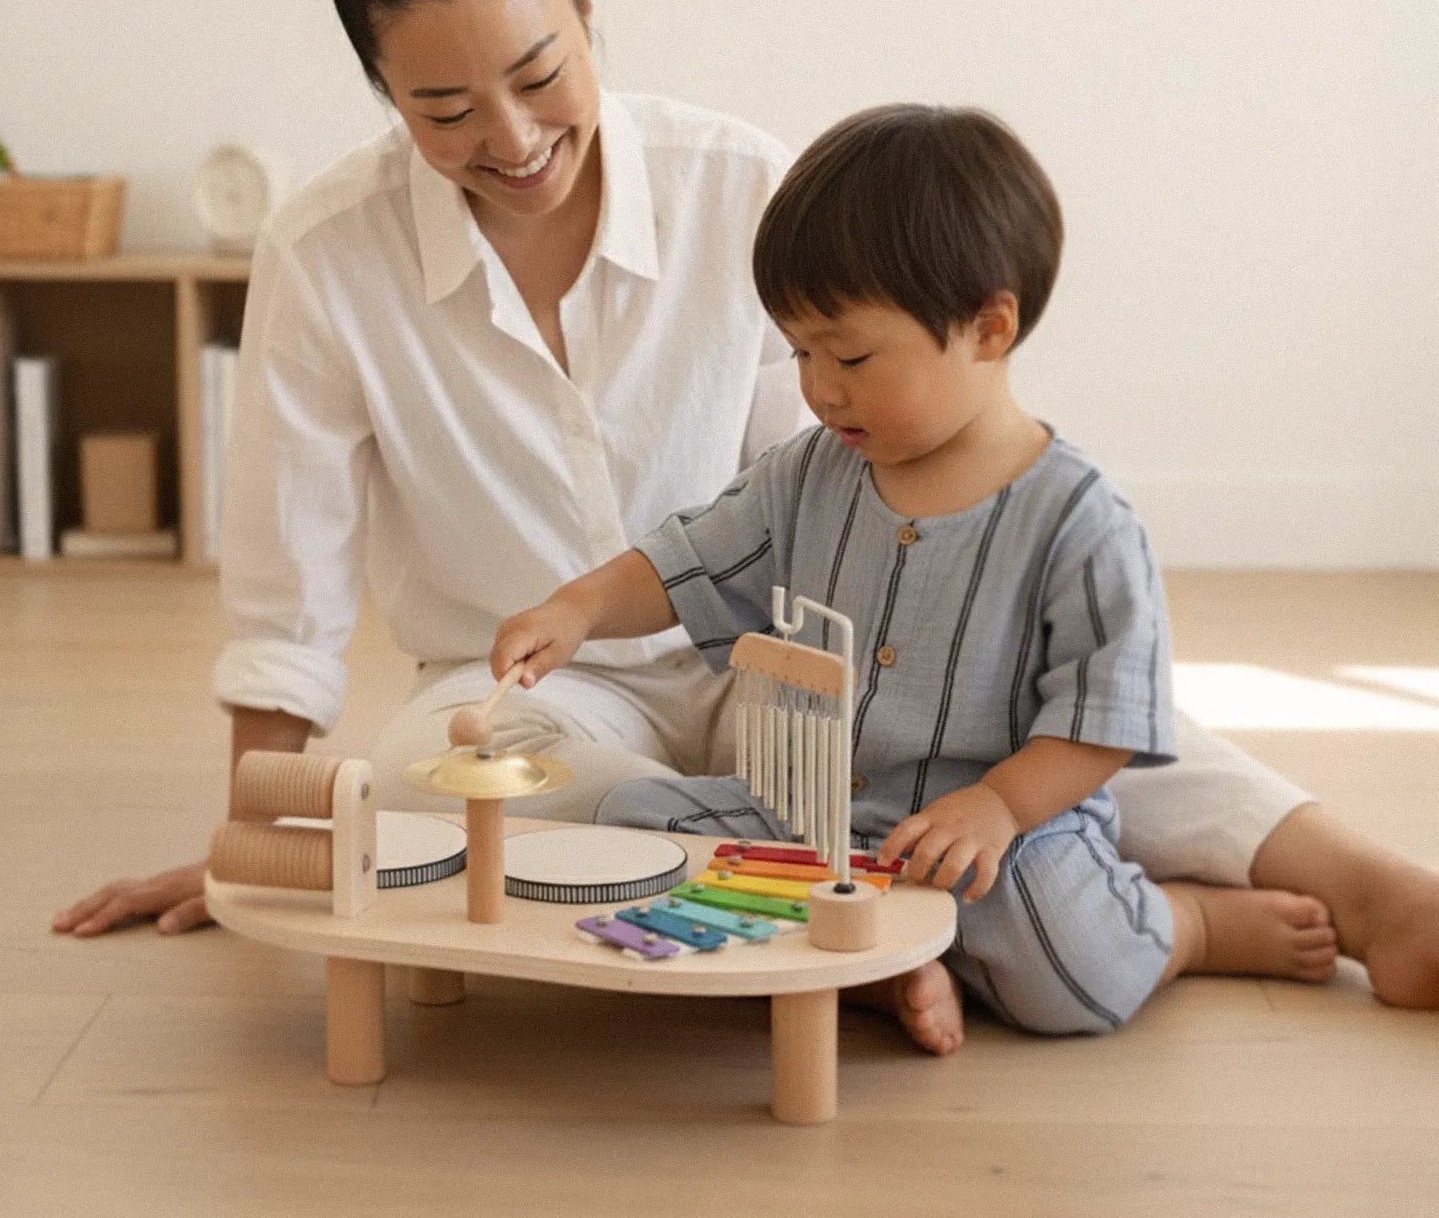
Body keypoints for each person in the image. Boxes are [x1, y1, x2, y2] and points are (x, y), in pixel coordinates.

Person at [52, 0, 1439, 1025]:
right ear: (382, 94)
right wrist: (263, 837)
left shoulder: (739, 184)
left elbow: (844, 483)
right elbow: (286, 589)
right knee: (429, 791)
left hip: (794, 662)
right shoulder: (324, 252)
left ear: (588, 10)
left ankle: (1370, 890)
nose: (514, 139)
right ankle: (869, 936)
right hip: (536, 697)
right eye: (445, 110)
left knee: (1027, 717)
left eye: (540, 74)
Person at [490, 104, 1348, 1051]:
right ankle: (883, 967)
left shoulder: (1078, 518)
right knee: (635, 832)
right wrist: (578, 608)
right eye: (801, 351)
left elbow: (1105, 717)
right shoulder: (806, 472)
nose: (819, 387)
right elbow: (686, 559)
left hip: (997, 839)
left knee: (1070, 971)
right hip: (811, 817)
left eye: (850, 355)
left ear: (987, 328)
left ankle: (1188, 926)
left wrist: (1001, 806)